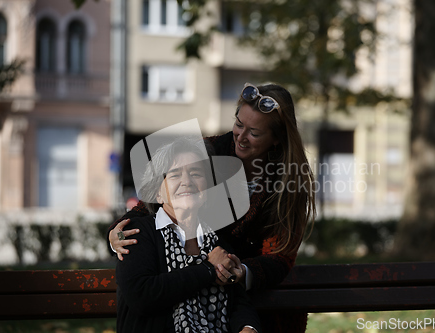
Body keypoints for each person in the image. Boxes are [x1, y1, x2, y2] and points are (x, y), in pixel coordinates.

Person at [110, 83, 316, 332]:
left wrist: (242, 272)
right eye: (239, 124)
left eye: (254, 133)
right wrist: (115, 235)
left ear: (276, 139)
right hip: (192, 278)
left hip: (245, 289)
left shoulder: (290, 181)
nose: (241, 136)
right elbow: (157, 198)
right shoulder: (210, 152)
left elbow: (280, 256)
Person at [117, 137, 261, 333]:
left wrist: (248, 327)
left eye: (195, 173)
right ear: (158, 193)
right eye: (175, 175)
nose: (187, 181)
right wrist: (208, 269)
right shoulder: (138, 233)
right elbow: (140, 295)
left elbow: (238, 302)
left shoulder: (218, 242)